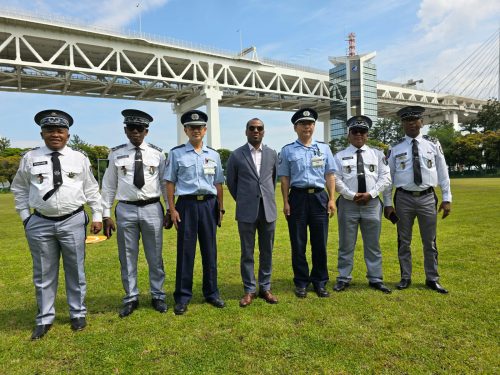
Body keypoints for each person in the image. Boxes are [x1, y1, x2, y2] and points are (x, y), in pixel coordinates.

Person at [11, 109, 103, 340]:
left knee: (75, 270)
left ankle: (77, 313)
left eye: (60, 130)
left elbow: (91, 189)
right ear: (42, 133)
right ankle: (44, 318)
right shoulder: (29, 158)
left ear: (68, 135)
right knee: (43, 272)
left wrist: (98, 215)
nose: (55, 134)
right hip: (40, 222)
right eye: (50, 130)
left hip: (73, 220)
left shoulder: (79, 158)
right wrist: (25, 217)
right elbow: (20, 189)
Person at [101, 109, 168, 317]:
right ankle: (131, 297)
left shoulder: (158, 154)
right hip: (126, 209)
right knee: (127, 256)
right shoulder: (116, 153)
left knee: (155, 255)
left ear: (146, 131)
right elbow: (109, 185)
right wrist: (105, 213)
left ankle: (158, 295)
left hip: (152, 208)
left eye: (140, 129)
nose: (135, 132)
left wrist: (170, 209)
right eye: (131, 128)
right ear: (125, 130)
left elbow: (165, 184)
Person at [383, 106, 452, 294]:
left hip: (427, 197)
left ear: (422, 122)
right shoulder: (395, 147)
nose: (412, 123)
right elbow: (388, 177)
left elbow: (443, 171)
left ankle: (432, 278)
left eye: (415, 120)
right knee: (403, 240)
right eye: (407, 120)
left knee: (429, 241)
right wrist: (388, 204)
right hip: (403, 198)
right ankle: (405, 277)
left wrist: (447, 198)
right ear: (402, 124)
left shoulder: (433, 143)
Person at [164, 109, 225, 315]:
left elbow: (218, 183)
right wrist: (172, 209)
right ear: (186, 130)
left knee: (210, 251)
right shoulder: (176, 153)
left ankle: (212, 292)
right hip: (186, 206)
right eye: (192, 127)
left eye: (199, 127)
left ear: (205, 129)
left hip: (209, 205)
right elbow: (170, 182)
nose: (196, 130)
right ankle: (182, 296)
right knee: (185, 252)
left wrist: (220, 208)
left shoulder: (214, 155)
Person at [278, 108, 336, 298]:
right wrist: (286, 201)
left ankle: (320, 281)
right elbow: (285, 178)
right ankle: (301, 281)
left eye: (310, 124)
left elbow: (330, 175)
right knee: (298, 242)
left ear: (314, 126)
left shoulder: (324, 149)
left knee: (320, 242)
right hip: (298, 198)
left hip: (319, 197)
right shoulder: (287, 150)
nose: (307, 127)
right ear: (296, 127)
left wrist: (332, 199)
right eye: (303, 124)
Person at [333, 116, 392, 294]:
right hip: (348, 204)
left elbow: (386, 178)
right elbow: (335, 179)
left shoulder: (378, 155)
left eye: (363, 132)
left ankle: (375, 278)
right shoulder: (339, 156)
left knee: (373, 244)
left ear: (367, 135)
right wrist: (352, 195)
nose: (359, 134)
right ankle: (343, 278)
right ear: (348, 134)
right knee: (346, 243)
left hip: (372, 204)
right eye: (355, 131)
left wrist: (371, 194)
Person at [226, 118, 279, 307]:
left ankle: (265, 287)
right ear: (246, 131)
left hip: (268, 211)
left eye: (259, 128)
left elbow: (272, 180)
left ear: (264, 131)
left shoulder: (272, 154)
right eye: (252, 128)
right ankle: (249, 289)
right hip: (246, 211)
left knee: (267, 251)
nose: (256, 131)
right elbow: (231, 183)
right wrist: (243, 200)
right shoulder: (236, 155)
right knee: (247, 252)